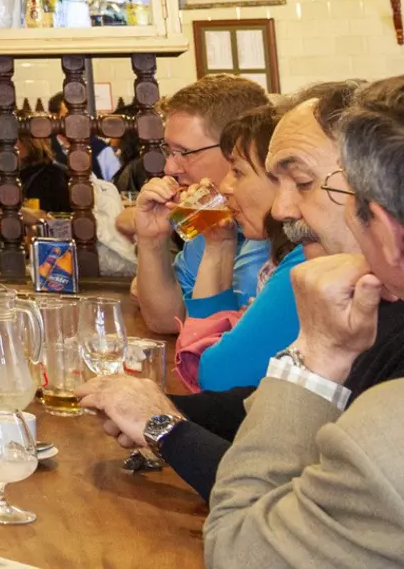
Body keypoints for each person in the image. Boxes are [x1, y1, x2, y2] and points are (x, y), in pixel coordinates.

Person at [80, 83, 368, 498]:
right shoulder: (237, 236)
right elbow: (264, 402)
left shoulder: (308, 269)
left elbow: (274, 491)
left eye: (300, 182)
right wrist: (157, 407)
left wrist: (163, 422)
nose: (172, 167)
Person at [203, 77, 404, 565]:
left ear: (386, 227)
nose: (280, 208)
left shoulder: (387, 425)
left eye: (305, 183)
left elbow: (239, 550)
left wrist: (316, 359)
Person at [125, 74, 272, 334]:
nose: (170, 167)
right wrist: (152, 241)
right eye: (168, 151)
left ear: (235, 148)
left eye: (185, 153)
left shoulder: (280, 228)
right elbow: (167, 321)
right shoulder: (212, 214)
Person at [175, 105, 299, 393]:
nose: (225, 186)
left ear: (286, 179)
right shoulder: (281, 256)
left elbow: (215, 375)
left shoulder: (303, 262)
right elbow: (202, 355)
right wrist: (219, 245)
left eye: (238, 172)